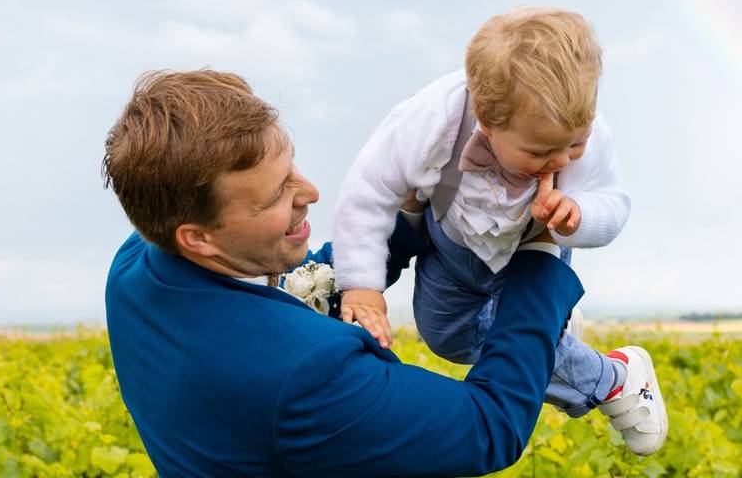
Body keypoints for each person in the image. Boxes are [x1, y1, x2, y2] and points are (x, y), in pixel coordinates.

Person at [102, 69, 590, 477]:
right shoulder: (309, 374)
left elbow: (278, 302)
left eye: (291, 167)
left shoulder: (134, 267)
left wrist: (415, 216)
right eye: (275, 195)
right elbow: (488, 428)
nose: (310, 191)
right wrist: (540, 256)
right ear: (198, 237)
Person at [332, 7, 667, 455]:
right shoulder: (433, 118)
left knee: (517, 344)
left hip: (535, 246)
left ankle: (614, 381)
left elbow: (614, 204)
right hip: (454, 245)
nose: (563, 161)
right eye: (541, 151)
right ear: (488, 123)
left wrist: (579, 214)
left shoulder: (583, 131)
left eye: (576, 144)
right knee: (447, 339)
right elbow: (368, 191)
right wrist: (360, 287)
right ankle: (557, 342)